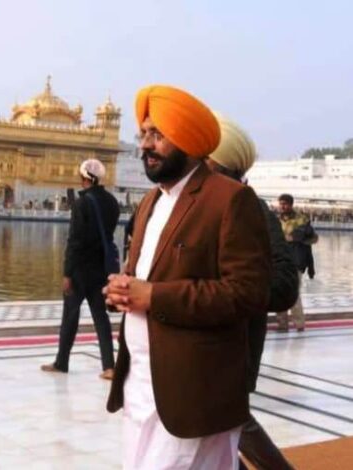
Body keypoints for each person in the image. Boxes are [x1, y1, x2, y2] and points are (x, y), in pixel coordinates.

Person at [103, 85, 271, 469]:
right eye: (143, 134)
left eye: (157, 135)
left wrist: (154, 297)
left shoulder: (228, 199)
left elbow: (248, 293)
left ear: (190, 141)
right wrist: (123, 289)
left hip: (194, 391)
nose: (145, 145)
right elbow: (147, 277)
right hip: (142, 387)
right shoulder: (152, 201)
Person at [207, 115, 298, 470]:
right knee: (215, 431)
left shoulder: (249, 206)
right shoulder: (204, 203)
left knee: (227, 424)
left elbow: (284, 285)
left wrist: (227, 294)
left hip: (231, 346)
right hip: (204, 348)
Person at [41, 158, 118, 380]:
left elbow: (74, 241)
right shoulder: (112, 202)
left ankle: (61, 362)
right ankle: (109, 366)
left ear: (84, 178)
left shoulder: (82, 203)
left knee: (70, 316)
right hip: (100, 269)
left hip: (80, 270)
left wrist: (67, 273)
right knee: (100, 318)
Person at [275, 193, 317, 332]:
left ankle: (299, 324)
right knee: (279, 292)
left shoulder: (301, 220)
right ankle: (282, 324)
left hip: (295, 263)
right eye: (281, 203)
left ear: (291, 205)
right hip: (279, 263)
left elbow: (313, 239)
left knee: (294, 293)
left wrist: (294, 237)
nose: (282, 206)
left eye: (285, 204)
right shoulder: (275, 221)